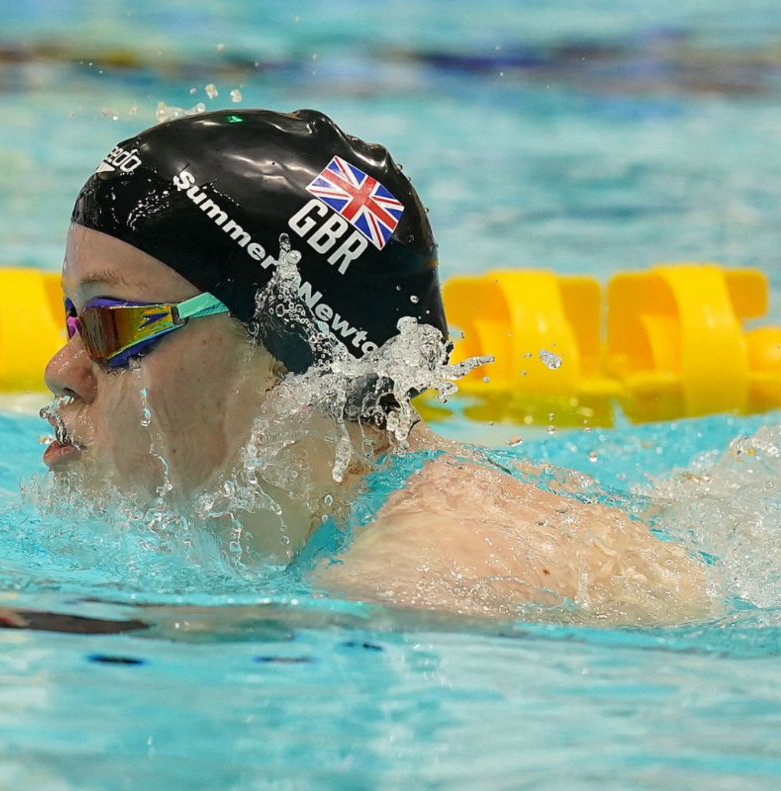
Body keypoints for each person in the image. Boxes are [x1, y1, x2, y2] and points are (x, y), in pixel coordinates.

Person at [41, 108, 715, 625]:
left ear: (288, 361)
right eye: (70, 319)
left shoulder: (419, 583)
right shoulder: (349, 533)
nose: (62, 368)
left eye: (109, 325)